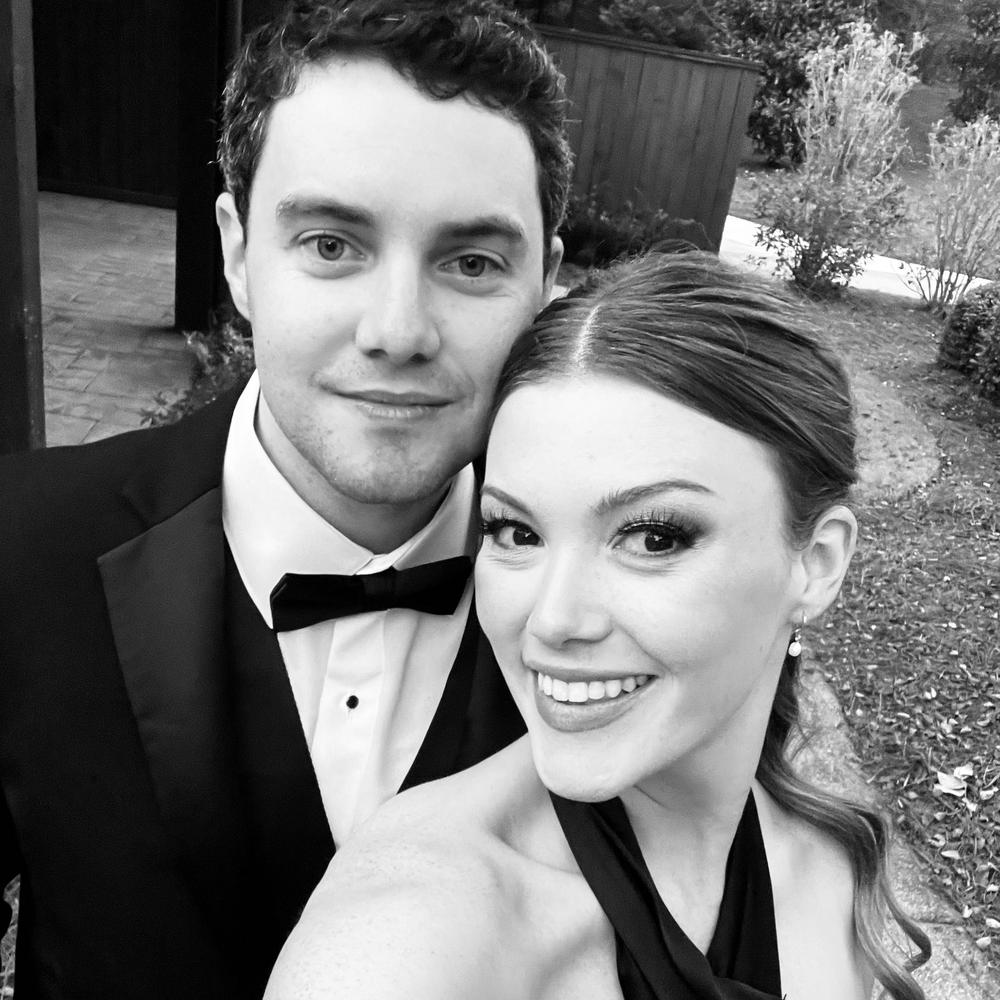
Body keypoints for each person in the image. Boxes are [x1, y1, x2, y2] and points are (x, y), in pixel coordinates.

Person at [0, 1, 569, 996]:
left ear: (544, 285)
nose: (398, 331)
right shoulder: (20, 549)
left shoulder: (624, 602)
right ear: (237, 252)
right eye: (332, 245)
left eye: (472, 262)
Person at [265, 252, 931, 1000]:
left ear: (816, 561)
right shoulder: (404, 947)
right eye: (517, 532)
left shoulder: (829, 865)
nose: (552, 621)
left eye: (653, 537)